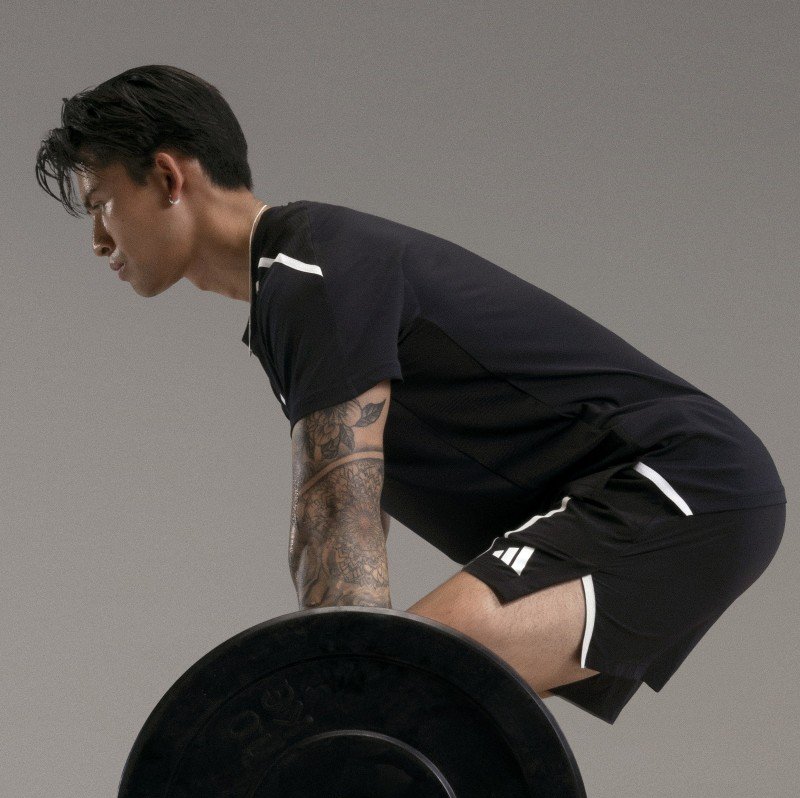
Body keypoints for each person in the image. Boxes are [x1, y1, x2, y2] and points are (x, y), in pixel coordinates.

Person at [35, 65, 786, 725]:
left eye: (101, 203)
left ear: (168, 177)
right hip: (673, 488)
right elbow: (345, 506)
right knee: (413, 730)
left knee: (378, 704)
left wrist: (333, 716)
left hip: (681, 482)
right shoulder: (293, 285)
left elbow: (338, 516)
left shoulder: (310, 272)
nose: (97, 240)